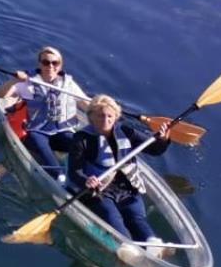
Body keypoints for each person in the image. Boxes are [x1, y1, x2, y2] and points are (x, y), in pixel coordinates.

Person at [66, 95, 169, 243]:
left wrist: (162, 140)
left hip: (127, 186)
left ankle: (152, 243)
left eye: (109, 116)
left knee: (136, 217)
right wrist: (86, 180)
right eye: (100, 116)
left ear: (115, 117)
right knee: (112, 216)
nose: (105, 120)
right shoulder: (82, 138)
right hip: (99, 190)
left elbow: (154, 149)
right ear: (91, 117)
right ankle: (126, 245)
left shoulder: (126, 132)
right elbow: (74, 171)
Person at [0, 46, 90, 183]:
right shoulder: (28, 82)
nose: (50, 66)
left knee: (82, 147)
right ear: (40, 64)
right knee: (43, 149)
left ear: (60, 65)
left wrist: (105, 107)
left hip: (61, 130)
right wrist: (14, 81)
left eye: (54, 63)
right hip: (37, 131)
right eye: (46, 62)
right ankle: (59, 177)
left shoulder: (68, 84)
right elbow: (0, 95)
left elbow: (85, 104)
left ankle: (87, 175)